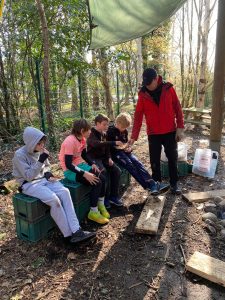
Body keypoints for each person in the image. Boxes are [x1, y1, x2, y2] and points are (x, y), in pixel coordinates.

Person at [13, 127, 96, 245]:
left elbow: (46, 166)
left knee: (65, 192)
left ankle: (77, 231)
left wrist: (47, 172)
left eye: (43, 143)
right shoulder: (19, 155)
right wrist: (41, 160)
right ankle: (67, 235)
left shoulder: (40, 150)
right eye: (39, 143)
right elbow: (28, 176)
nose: (42, 146)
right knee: (54, 199)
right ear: (31, 142)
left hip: (44, 180)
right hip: (29, 184)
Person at [129, 68, 185, 194]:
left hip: (170, 130)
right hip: (153, 133)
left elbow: (177, 107)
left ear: (156, 79)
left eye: (149, 83)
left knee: (172, 157)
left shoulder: (168, 88)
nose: (147, 86)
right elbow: (138, 116)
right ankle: (156, 184)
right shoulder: (142, 94)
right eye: (145, 84)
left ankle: (174, 183)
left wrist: (180, 127)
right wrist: (133, 136)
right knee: (154, 160)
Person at [59, 119, 110, 225]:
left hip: (80, 165)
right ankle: (93, 212)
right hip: (70, 171)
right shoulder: (69, 141)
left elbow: (84, 154)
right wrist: (85, 173)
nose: (90, 132)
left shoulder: (82, 139)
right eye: (89, 130)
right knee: (97, 182)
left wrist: (92, 163)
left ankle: (100, 204)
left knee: (103, 178)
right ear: (82, 130)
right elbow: (68, 164)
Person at [106, 112, 164, 195]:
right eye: (122, 127)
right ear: (117, 123)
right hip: (115, 154)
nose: (123, 129)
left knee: (137, 162)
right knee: (130, 165)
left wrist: (128, 148)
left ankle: (152, 183)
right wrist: (114, 144)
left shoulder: (125, 131)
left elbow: (125, 143)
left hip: (124, 151)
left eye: (125, 128)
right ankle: (147, 187)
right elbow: (106, 145)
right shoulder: (110, 131)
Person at [86, 113, 123, 208]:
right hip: (94, 159)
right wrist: (114, 142)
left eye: (107, 124)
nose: (106, 126)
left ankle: (114, 196)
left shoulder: (104, 133)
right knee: (104, 173)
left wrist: (109, 157)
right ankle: (105, 199)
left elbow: (107, 149)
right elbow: (97, 144)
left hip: (103, 158)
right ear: (97, 124)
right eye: (104, 124)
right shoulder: (91, 134)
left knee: (117, 171)